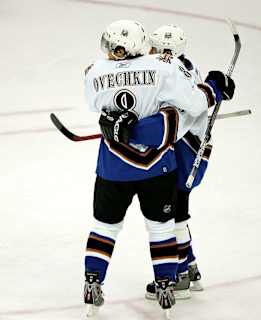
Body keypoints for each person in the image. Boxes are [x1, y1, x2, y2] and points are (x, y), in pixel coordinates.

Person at [82, 20, 235, 317]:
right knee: (162, 227)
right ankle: (167, 282)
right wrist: (215, 88)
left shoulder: (94, 72)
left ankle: (92, 280)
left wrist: (123, 128)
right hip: (157, 168)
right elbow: (192, 103)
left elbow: (94, 102)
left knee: (104, 226)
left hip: (113, 167)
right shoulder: (165, 68)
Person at [136, 24, 232, 300]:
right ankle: (189, 266)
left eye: (152, 47)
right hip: (191, 151)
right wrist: (214, 87)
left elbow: (186, 105)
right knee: (179, 210)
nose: (149, 51)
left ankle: (178, 276)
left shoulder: (169, 72)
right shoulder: (184, 65)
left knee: (171, 213)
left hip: (183, 153)